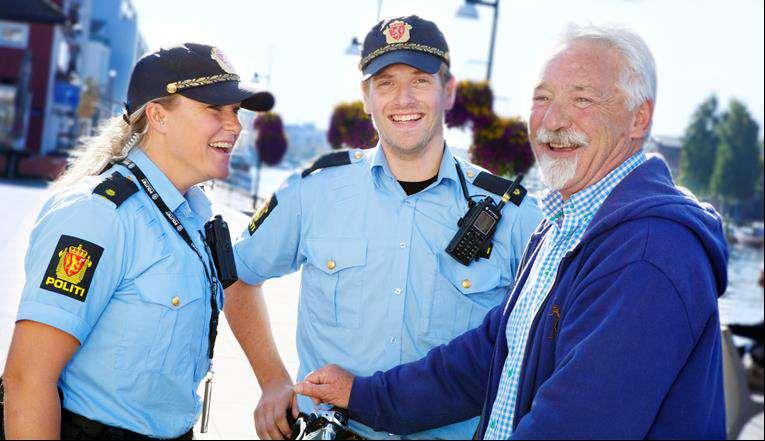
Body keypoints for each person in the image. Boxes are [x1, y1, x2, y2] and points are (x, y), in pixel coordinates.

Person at [295, 24, 730, 440]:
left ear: (639, 118)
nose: (552, 120)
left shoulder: (648, 254)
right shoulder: (560, 227)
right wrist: (363, 394)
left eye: (583, 100)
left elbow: (574, 427)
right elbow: (487, 357)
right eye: (542, 97)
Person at [225, 15, 542, 440]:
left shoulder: (515, 217)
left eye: (420, 80)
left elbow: (545, 341)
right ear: (366, 97)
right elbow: (236, 275)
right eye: (386, 82)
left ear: (448, 92)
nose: (403, 99)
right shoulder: (314, 191)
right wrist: (272, 381)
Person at [1, 43, 274, 439]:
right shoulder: (99, 215)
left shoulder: (195, 216)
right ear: (158, 116)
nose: (235, 126)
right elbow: (27, 379)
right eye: (215, 109)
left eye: (235, 111)